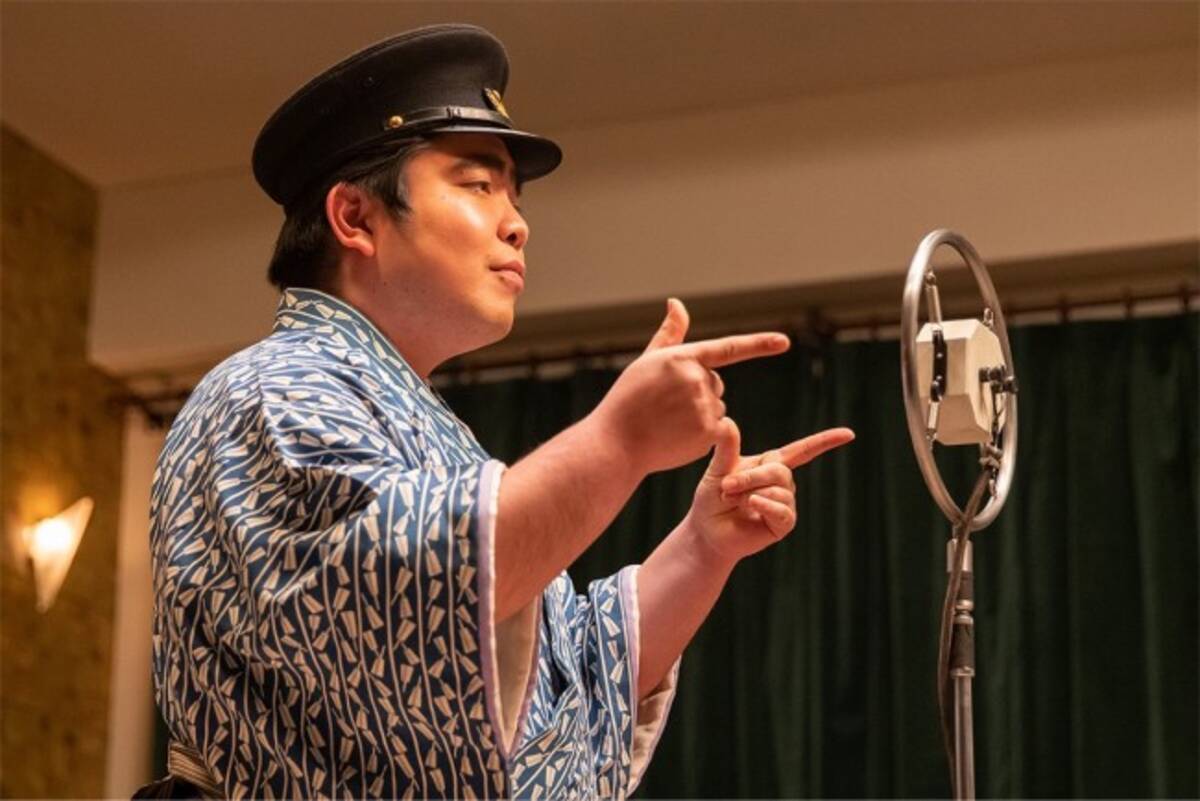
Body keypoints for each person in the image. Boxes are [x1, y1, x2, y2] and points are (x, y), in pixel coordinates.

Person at [140, 24, 854, 800]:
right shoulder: (270, 387)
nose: (517, 222)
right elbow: (406, 598)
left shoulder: (433, 432)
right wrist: (619, 441)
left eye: (513, 195)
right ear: (355, 217)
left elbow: (574, 684)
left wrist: (703, 546)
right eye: (478, 185)